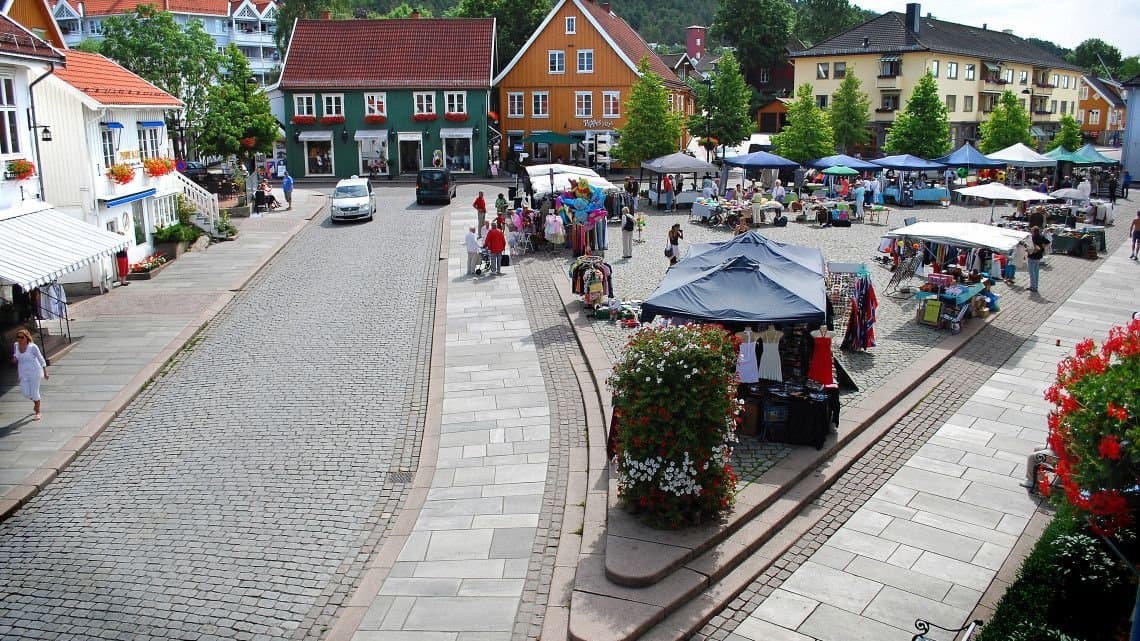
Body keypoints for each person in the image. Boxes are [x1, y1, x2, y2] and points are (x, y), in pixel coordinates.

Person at [12, 328, 48, 421]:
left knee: (34, 392)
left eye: (22, 337)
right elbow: (16, 355)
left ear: (27, 337)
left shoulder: (32, 347)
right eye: (18, 337)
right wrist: (14, 358)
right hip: (23, 372)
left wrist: (45, 372)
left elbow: (40, 358)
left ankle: (38, 412)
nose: (19, 339)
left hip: (34, 372)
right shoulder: (16, 345)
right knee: (26, 393)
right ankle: (36, 403)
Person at [1027, 226, 1049, 292]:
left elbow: (1028, 245)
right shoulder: (1041, 236)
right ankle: (1035, 286)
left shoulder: (1032, 237)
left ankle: (1033, 286)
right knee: (1036, 272)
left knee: (1031, 272)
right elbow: (1048, 242)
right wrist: (1042, 248)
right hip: (1038, 256)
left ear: (1033, 231)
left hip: (1032, 256)